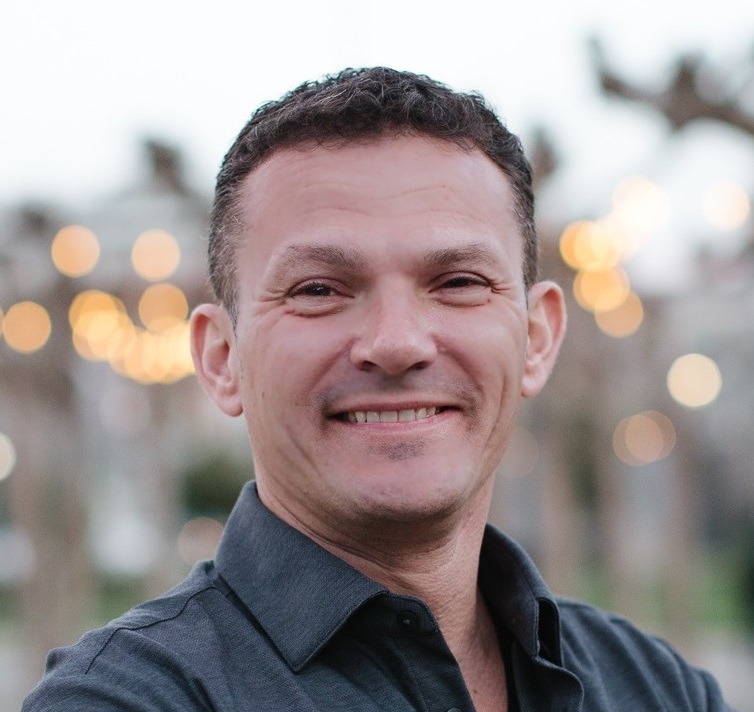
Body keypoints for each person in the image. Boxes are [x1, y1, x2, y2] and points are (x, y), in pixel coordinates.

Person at [23, 67, 733, 711]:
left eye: (458, 282)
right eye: (319, 290)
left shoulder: (658, 688)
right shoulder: (124, 701)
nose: (396, 343)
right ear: (221, 357)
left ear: (538, 338)